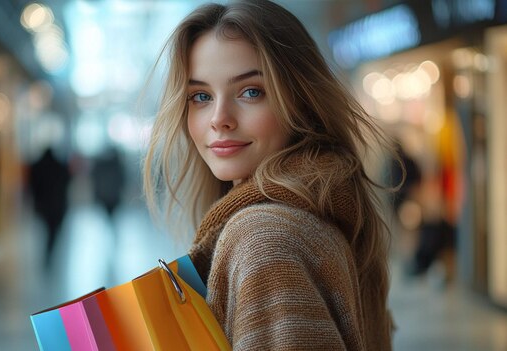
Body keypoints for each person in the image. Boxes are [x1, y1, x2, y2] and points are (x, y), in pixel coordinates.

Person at [143, 1, 394, 350]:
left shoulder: (264, 238)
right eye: (200, 96)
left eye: (251, 92)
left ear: (301, 101)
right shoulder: (318, 213)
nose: (219, 118)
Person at [28, 147, 71, 268]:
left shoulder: (37, 167)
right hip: (57, 206)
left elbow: (33, 186)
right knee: (53, 231)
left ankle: (48, 254)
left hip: (44, 206)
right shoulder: (60, 167)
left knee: (49, 230)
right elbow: (67, 182)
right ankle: (49, 253)